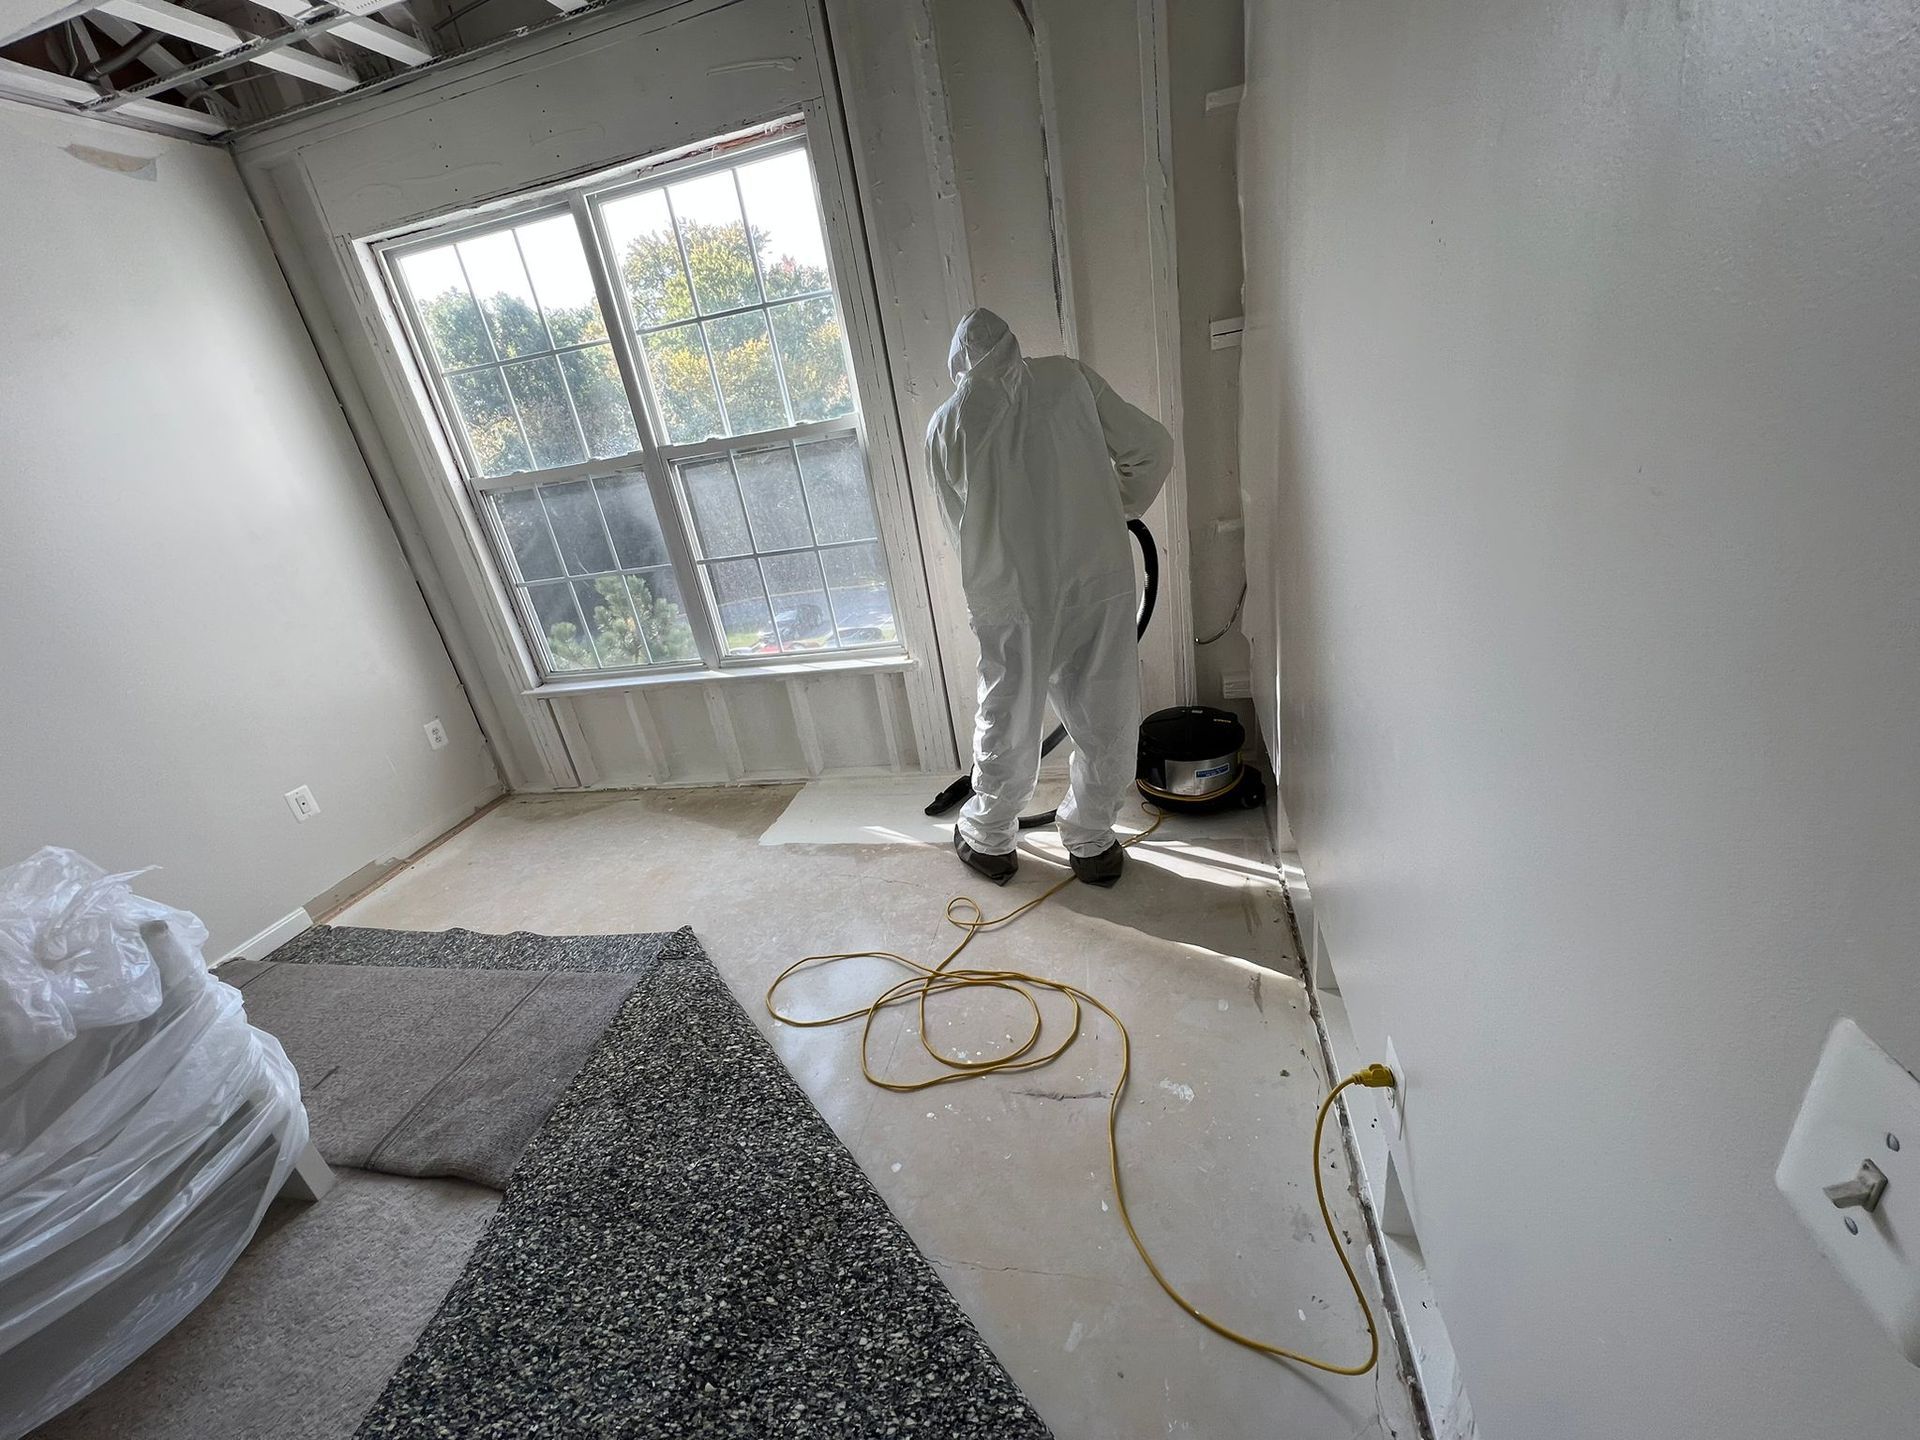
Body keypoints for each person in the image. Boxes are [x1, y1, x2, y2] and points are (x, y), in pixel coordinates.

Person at [926, 308, 1173, 888]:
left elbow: (958, 527)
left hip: (1009, 593)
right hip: (1096, 578)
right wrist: (1114, 509)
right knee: (1106, 708)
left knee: (1007, 713)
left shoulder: (946, 424)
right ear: (1015, 343)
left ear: (957, 363)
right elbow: (1152, 447)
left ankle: (988, 840)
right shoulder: (1068, 378)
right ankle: (1092, 843)